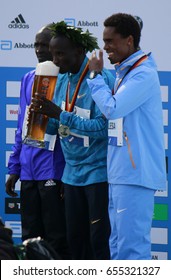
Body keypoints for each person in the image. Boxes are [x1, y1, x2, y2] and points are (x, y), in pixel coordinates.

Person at [31, 21, 114, 260]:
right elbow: (60, 126)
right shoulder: (62, 80)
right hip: (71, 175)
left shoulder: (100, 79)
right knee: (75, 240)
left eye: (60, 54)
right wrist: (42, 119)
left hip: (98, 174)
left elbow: (103, 128)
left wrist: (59, 114)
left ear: (78, 51)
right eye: (53, 53)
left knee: (99, 240)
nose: (54, 60)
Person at [87, 13, 167, 260]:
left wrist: (94, 77)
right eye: (104, 40)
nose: (105, 47)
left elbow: (112, 109)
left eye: (110, 41)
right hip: (121, 173)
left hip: (135, 174)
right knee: (119, 247)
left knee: (132, 250)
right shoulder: (126, 72)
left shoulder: (143, 74)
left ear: (129, 41)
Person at [5, 24, 70, 259]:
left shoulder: (66, 79)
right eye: (36, 44)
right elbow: (22, 125)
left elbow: (69, 126)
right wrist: (15, 167)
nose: (39, 49)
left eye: (45, 44)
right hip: (29, 171)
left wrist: (66, 173)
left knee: (56, 237)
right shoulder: (28, 78)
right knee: (29, 237)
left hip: (53, 169)